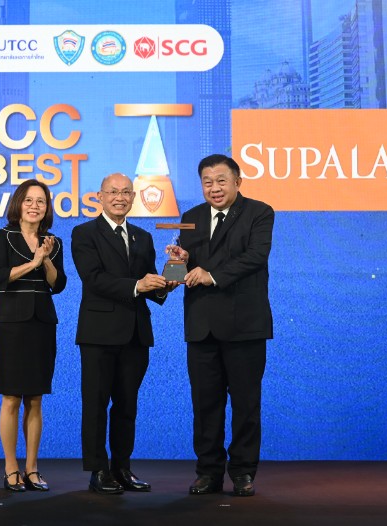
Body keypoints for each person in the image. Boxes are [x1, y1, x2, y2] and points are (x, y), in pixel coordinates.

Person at [166, 154, 274, 497]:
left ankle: (243, 472)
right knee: (205, 405)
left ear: (237, 181)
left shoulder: (259, 212)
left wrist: (212, 275)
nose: (214, 187)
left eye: (221, 181)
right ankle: (208, 473)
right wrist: (178, 262)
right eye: (207, 182)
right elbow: (183, 270)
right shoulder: (191, 217)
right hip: (202, 326)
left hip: (245, 326)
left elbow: (255, 256)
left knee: (246, 404)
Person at [71, 172, 177, 495]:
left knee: (127, 405)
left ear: (133, 198)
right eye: (113, 192)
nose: (120, 197)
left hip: (135, 334)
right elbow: (93, 279)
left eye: (126, 192)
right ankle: (98, 470)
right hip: (99, 334)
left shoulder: (143, 237)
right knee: (96, 404)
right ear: (100, 197)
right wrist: (137, 285)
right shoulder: (84, 233)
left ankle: (122, 467)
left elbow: (151, 287)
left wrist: (170, 278)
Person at [0, 179, 67, 492]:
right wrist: (31, 262)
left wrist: (44, 260)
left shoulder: (53, 242)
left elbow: (58, 284)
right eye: (29, 200)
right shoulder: (2, 236)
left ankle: (32, 469)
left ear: (47, 208)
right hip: (9, 323)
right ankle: (11, 468)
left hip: (42, 322)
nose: (35, 206)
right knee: (11, 397)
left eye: (41, 201)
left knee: (35, 398)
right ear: (19, 204)